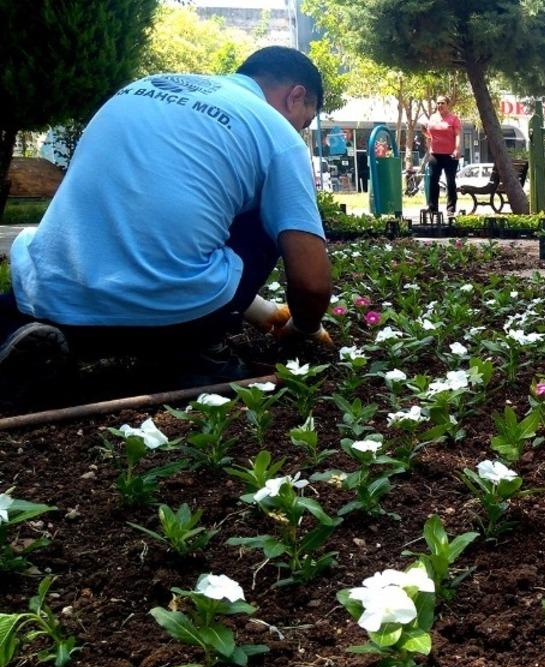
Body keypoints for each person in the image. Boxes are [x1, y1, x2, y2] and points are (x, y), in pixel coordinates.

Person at [0, 46, 333, 401]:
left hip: (52, 300)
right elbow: (311, 285)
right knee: (274, 210)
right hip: (170, 320)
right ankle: (197, 350)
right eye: (304, 123)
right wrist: (304, 329)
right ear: (296, 97)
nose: (299, 133)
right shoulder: (277, 134)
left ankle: (23, 333)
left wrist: (262, 311)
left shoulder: (140, 88)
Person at [425, 96, 461, 214]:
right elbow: (430, 135)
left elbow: (457, 135)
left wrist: (457, 149)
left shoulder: (453, 119)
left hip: (450, 155)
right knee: (433, 180)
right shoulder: (432, 118)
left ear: (447, 105)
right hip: (435, 154)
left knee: (450, 181)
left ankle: (451, 208)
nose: (440, 105)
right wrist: (428, 146)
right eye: (438, 103)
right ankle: (432, 207)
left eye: (442, 103)